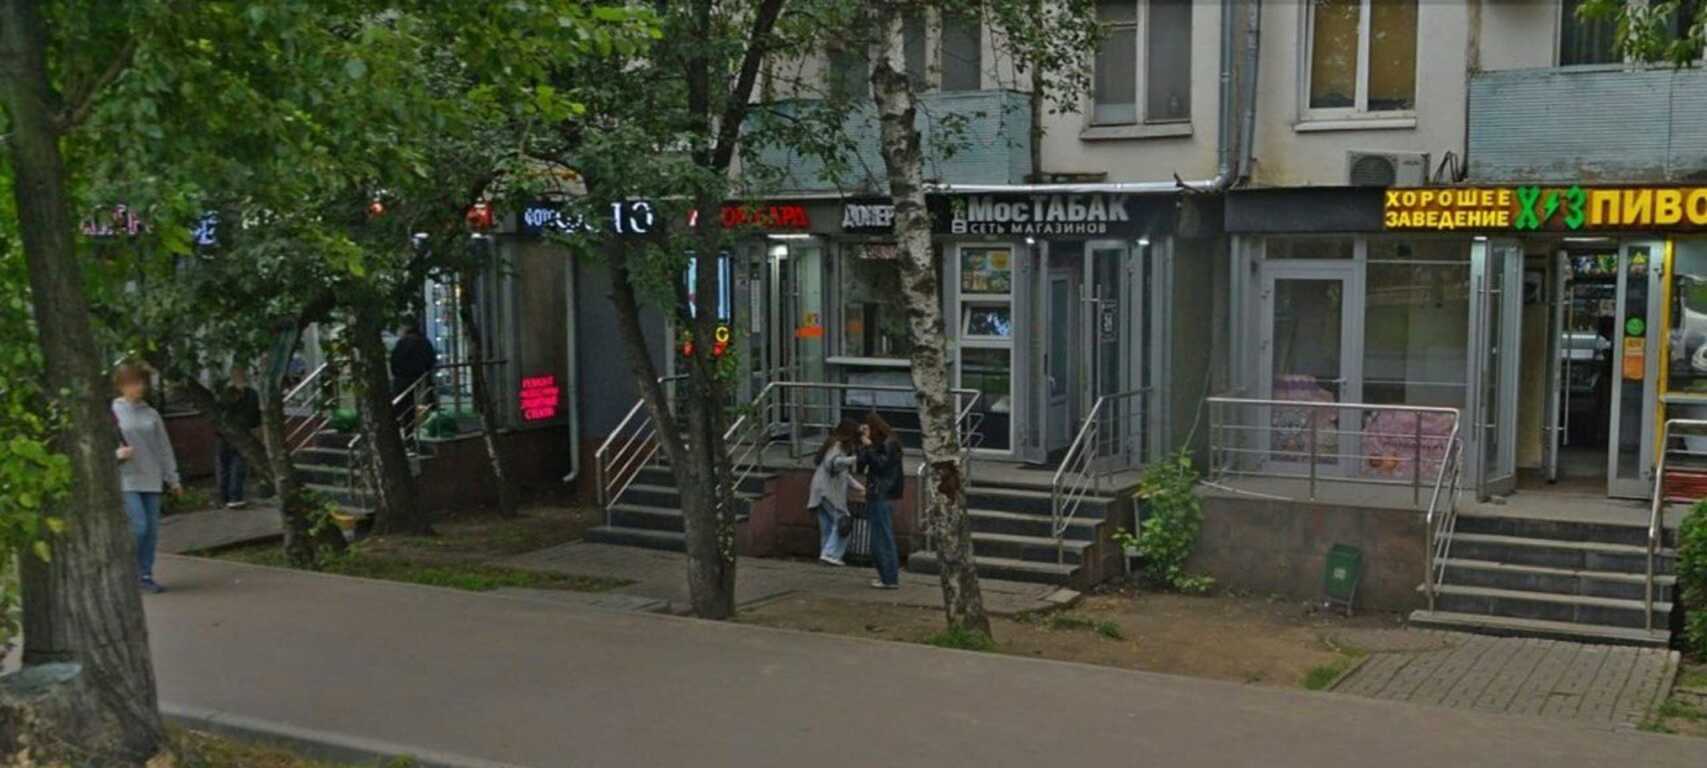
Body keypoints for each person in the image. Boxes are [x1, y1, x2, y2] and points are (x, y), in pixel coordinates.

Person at [112, 361, 180, 594]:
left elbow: (164, 447)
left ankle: (145, 575)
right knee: (138, 526)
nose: (138, 387)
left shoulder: (151, 414)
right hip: (126, 479)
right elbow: (99, 447)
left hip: (152, 477)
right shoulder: (111, 412)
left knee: (151, 531)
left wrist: (173, 478)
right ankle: (125, 570)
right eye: (132, 383)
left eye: (141, 382)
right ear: (121, 385)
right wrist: (116, 454)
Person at [808, 419, 864, 567]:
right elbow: (833, 463)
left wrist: (860, 488)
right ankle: (830, 554)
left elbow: (845, 475)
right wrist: (855, 459)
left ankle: (825, 554)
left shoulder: (833, 443)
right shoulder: (837, 445)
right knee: (842, 521)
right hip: (827, 490)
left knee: (827, 525)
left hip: (819, 490)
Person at [858, 412, 904, 589]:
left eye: (868, 428)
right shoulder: (882, 443)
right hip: (878, 493)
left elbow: (881, 465)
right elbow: (861, 465)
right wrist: (863, 445)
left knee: (882, 537)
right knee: (878, 537)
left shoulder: (889, 444)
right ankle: (886, 576)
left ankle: (889, 578)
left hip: (882, 494)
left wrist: (869, 446)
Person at [216, 366, 261, 509]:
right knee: (234, 466)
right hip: (235, 435)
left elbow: (254, 417)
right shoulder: (247, 394)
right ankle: (232, 497)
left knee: (229, 466)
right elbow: (255, 418)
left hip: (230, 435)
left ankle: (228, 497)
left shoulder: (231, 393)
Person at [389, 318, 437, 424]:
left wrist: (397, 373)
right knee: (420, 405)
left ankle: (405, 426)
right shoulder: (425, 342)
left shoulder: (402, 342)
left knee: (403, 406)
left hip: (403, 379)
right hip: (421, 378)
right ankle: (418, 426)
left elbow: (394, 361)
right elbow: (431, 360)